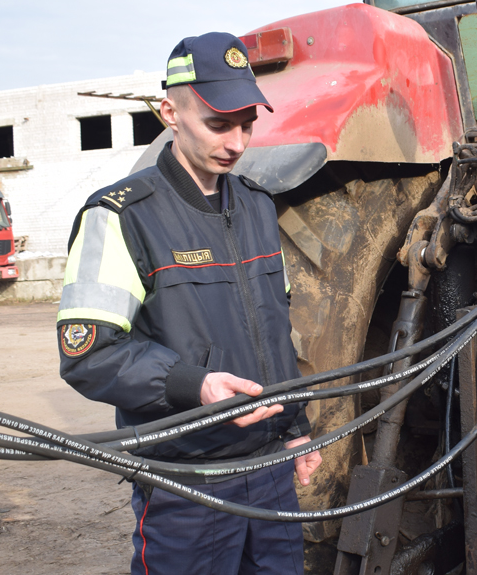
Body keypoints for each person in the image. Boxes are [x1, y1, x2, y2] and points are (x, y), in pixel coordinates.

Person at [56, 32, 321, 575]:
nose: (237, 143)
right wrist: (193, 384)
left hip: (270, 472)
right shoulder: (121, 216)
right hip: (189, 482)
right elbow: (89, 354)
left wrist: (296, 428)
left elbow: (274, 333)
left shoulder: (258, 208)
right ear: (169, 113)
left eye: (247, 124)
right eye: (219, 124)